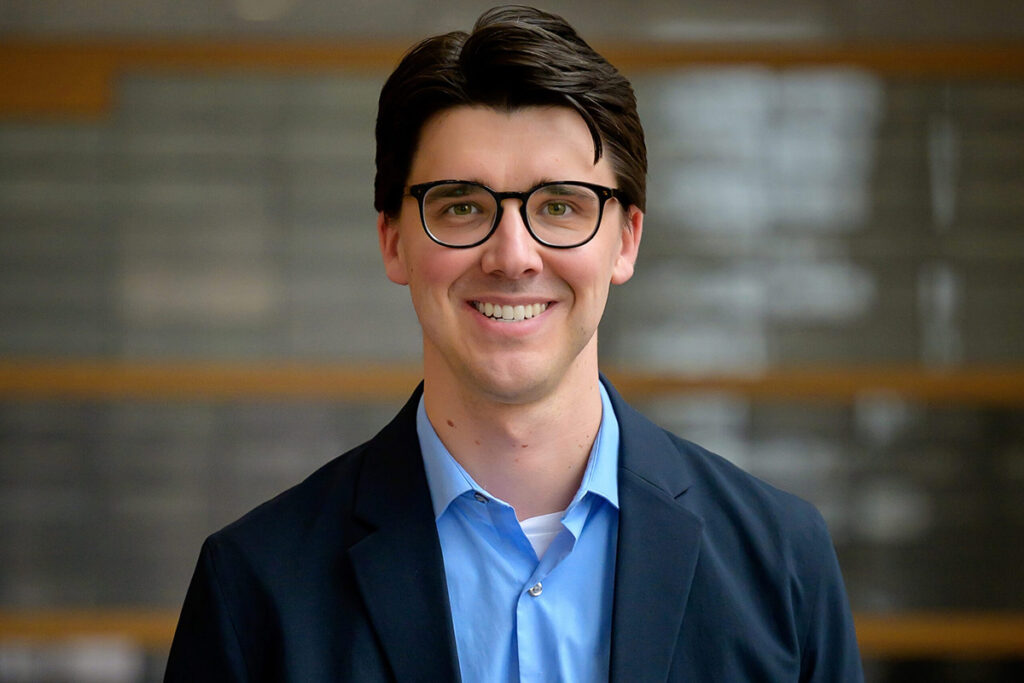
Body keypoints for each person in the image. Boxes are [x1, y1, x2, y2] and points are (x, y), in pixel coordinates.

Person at [165, 5, 863, 682]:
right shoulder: (255, 586)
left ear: (626, 240)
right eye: (462, 205)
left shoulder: (783, 561)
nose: (513, 254)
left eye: (560, 206)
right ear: (392, 240)